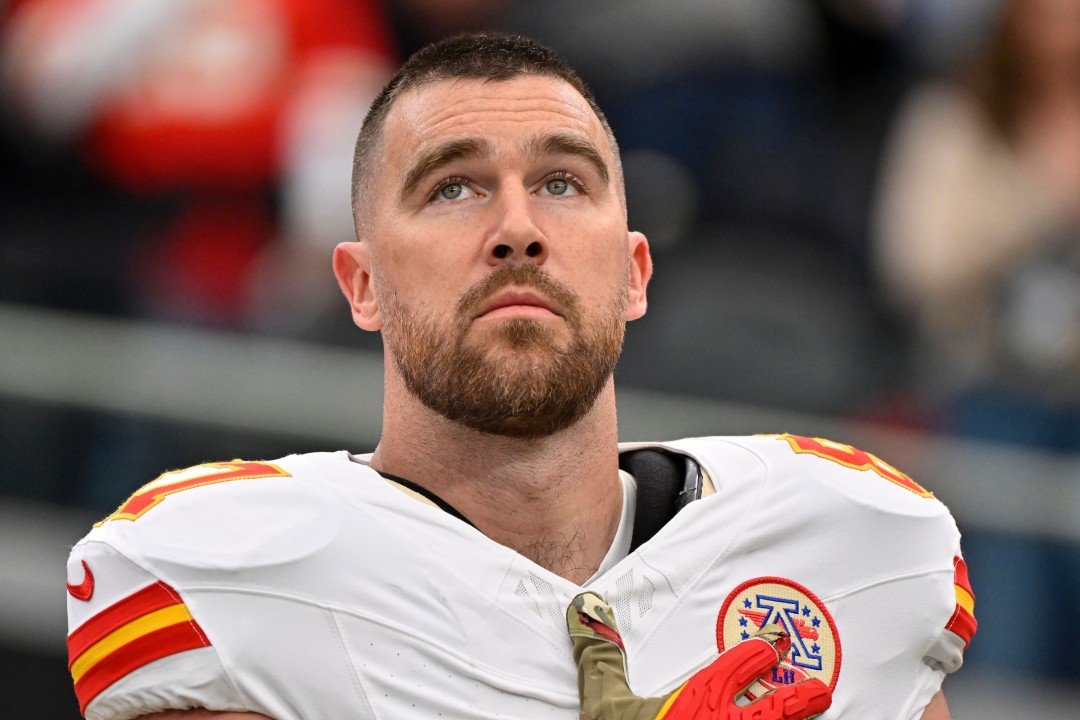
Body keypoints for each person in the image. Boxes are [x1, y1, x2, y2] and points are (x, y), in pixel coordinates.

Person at [65, 33, 974, 720]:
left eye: (563, 183)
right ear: (363, 285)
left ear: (635, 274)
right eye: (452, 187)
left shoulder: (848, 543)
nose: (517, 228)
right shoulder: (231, 580)